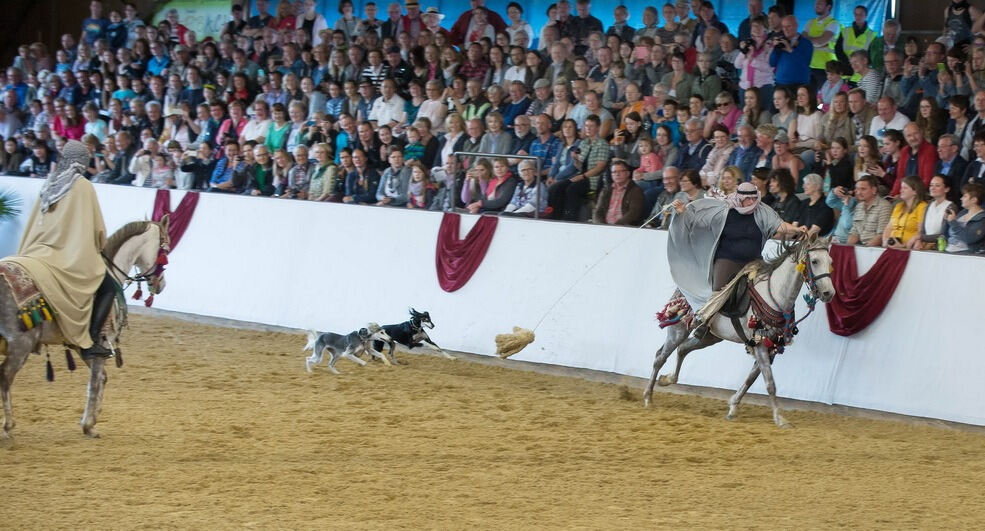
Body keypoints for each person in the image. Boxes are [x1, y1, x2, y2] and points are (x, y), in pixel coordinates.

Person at [1, 140, 112, 359]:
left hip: (36, 249)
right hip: (65, 255)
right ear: (82, 161)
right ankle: (90, 342)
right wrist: (99, 244)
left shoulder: (50, 183)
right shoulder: (83, 185)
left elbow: (35, 222)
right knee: (107, 285)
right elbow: (98, 229)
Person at [667, 180, 806, 319]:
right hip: (728, 259)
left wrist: (796, 229)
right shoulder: (724, 211)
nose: (752, 201)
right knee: (718, 292)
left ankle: (771, 323)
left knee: (770, 286)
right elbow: (699, 222)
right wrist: (683, 212)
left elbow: (779, 225)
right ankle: (704, 322)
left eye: (754, 198)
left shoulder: (762, 210)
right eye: (748, 199)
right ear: (739, 198)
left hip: (755, 261)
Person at [594, 159, 645, 225]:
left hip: (624, 228)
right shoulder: (606, 190)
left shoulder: (636, 191)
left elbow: (633, 213)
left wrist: (616, 226)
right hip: (604, 227)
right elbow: (598, 212)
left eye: (621, 171)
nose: (617, 174)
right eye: (614, 172)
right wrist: (603, 225)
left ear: (628, 173)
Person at [883, 175, 929, 249]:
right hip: (891, 247)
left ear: (915, 191)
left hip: (909, 249)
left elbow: (921, 231)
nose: (901, 190)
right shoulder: (898, 206)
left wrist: (903, 246)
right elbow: (888, 228)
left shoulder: (922, 207)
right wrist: (885, 241)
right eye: (901, 188)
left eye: (905, 188)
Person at [847, 175, 893, 246]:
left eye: (863, 189)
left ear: (874, 190)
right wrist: (847, 248)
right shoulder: (859, 207)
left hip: (877, 250)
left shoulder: (884, 206)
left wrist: (865, 250)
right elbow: (854, 232)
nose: (858, 192)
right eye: (857, 189)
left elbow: (881, 236)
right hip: (863, 248)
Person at [944, 182, 985, 253]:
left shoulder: (982, 218)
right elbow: (947, 233)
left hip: (967, 256)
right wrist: (947, 220)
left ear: (974, 200)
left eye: (964, 196)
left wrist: (953, 222)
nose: (961, 198)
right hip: (949, 251)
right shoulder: (962, 213)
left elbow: (969, 238)